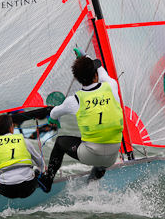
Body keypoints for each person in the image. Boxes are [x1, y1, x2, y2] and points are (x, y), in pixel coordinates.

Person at [39, 48, 123, 192]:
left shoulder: (75, 100)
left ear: (77, 79)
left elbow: (53, 113)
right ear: (96, 76)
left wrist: (54, 120)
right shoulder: (111, 86)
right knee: (101, 145)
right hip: (112, 156)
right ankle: (93, 181)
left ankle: (47, 181)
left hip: (90, 155)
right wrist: (86, 56)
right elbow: (100, 68)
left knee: (60, 142)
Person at [0, 114, 44, 198]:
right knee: (36, 170)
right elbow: (40, 162)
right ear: (11, 127)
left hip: (7, 190)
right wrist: (42, 175)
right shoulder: (23, 140)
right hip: (28, 188)